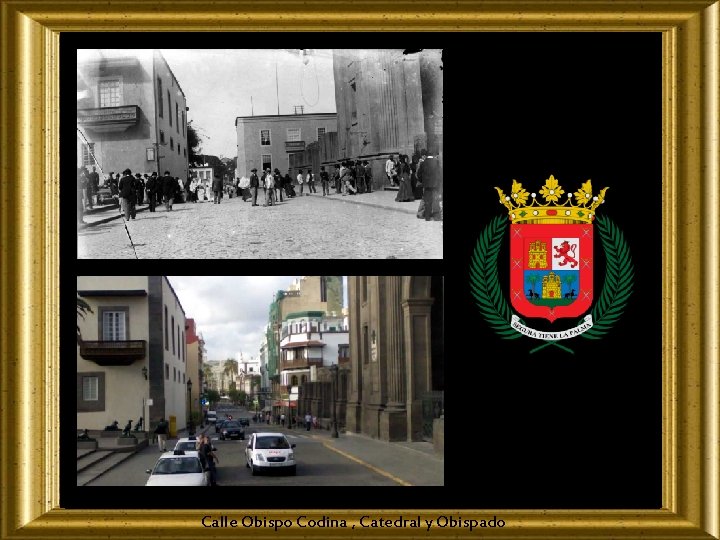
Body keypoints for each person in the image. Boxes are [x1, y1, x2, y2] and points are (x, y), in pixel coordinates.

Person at [417, 149, 443, 221]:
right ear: (433, 155)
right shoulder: (437, 162)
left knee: (427, 201)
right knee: (435, 200)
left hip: (426, 185)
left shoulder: (423, 163)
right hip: (435, 185)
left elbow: (419, 174)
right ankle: (436, 217)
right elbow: (440, 174)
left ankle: (427, 217)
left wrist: (423, 181)